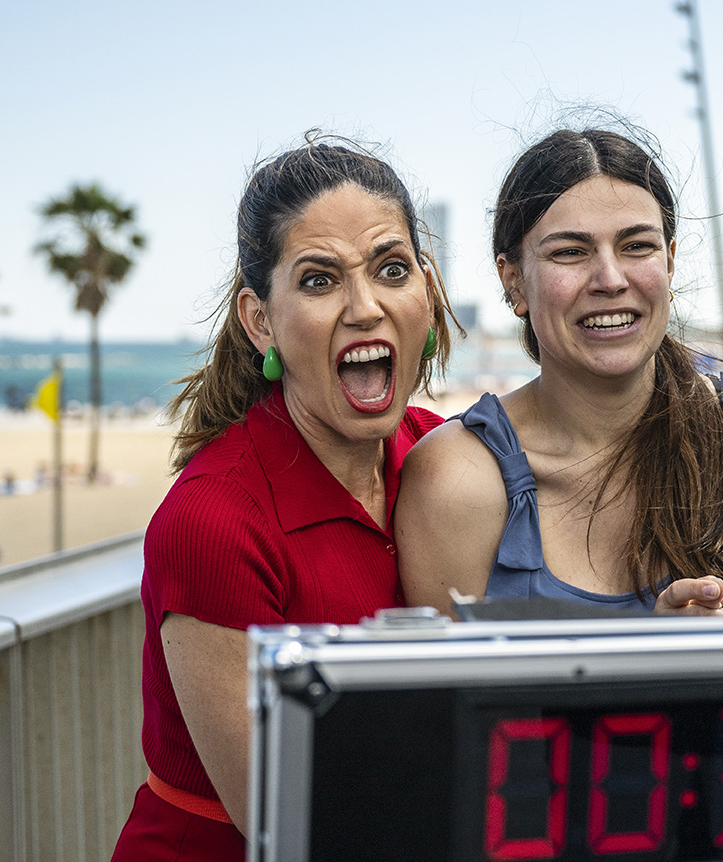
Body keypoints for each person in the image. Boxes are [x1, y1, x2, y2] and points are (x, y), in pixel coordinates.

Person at [110, 137, 458, 861]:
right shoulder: (213, 520)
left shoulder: (448, 458)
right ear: (260, 319)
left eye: (392, 269)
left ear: (426, 293)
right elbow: (280, 811)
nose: (365, 307)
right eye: (320, 280)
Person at [397, 128, 723, 618]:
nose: (610, 280)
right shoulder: (457, 480)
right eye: (570, 252)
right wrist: (655, 655)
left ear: (669, 262)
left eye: (636, 246)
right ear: (514, 282)